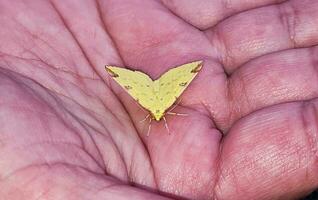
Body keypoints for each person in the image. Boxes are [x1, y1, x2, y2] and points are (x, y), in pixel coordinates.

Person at [0, 0, 317, 199]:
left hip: (155, 90)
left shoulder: (157, 109)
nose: (158, 119)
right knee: (155, 91)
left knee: (163, 90)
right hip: (155, 89)